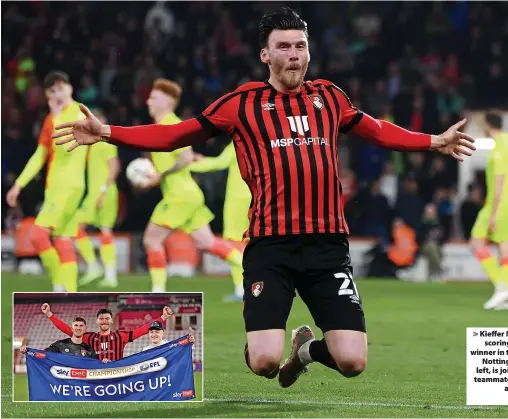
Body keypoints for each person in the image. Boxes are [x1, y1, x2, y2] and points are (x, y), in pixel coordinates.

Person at [53, 7, 475, 387]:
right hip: (270, 248)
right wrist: (108, 132)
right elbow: (176, 135)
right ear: (265, 56)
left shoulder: (329, 96)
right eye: (283, 46)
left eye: (300, 46)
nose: (294, 54)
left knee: (352, 361)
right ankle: (271, 351)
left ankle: (305, 351)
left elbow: (378, 130)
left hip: (328, 247)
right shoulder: (241, 104)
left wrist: (433, 141)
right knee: (265, 363)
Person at [138, 78, 243, 293]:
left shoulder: (171, 124)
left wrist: (160, 175)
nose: (148, 101)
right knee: (207, 243)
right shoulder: (164, 125)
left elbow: (185, 157)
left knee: (151, 240)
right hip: (189, 195)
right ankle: (252, 268)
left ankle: (157, 292)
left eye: (154, 97)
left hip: (180, 196)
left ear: (168, 101)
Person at [6, 71, 88, 292]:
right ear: (46, 94)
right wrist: (19, 184)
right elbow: (40, 155)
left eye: (60, 88)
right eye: (52, 91)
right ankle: (70, 294)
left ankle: (59, 284)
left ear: (70, 88)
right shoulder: (51, 119)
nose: (57, 94)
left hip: (69, 186)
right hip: (55, 188)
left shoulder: (78, 113)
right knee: (62, 239)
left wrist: (57, 115)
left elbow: (68, 147)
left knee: (38, 235)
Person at [470, 111, 508, 311]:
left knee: (477, 242)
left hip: (499, 202)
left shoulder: (499, 147)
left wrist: (494, 212)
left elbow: (499, 179)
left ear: (487, 124)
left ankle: (502, 287)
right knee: (506, 247)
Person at [190, 142, 252, 301]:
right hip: (258, 196)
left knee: (235, 243)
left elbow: (219, 163)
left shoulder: (238, 142)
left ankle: (241, 290)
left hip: (237, 199)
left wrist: (191, 164)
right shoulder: (262, 140)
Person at [75, 109, 121, 288]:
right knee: (79, 227)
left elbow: (114, 167)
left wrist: (102, 190)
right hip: (95, 193)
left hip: (104, 192)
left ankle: (109, 274)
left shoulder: (106, 141)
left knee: (103, 230)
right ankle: (96, 268)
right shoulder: (94, 143)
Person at [42, 303, 173, 361]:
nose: (104, 321)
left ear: (111, 321)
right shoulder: (89, 337)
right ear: (97, 321)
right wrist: (49, 314)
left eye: (107, 318)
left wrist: (163, 318)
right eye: (101, 319)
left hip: (117, 375)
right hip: (96, 376)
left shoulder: (120, 336)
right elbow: (67, 329)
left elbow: (142, 330)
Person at [20, 317, 100, 360]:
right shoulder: (60, 345)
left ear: (85, 329)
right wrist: (28, 351)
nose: (78, 328)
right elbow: (44, 354)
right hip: (63, 387)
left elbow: (95, 367)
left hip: (81, 387)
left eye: (81, 326)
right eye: (76, 325)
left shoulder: (89, 349)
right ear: (71, 329)